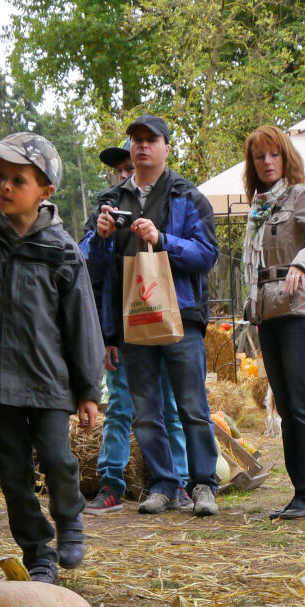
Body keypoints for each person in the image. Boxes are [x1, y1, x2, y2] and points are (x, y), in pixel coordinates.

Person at [0, 133, 104, 582]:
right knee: (12, 472)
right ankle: (37, 552)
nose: (4, 186)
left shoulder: (61, 250)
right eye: (0, 176)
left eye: (17, 179)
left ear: (45, 192)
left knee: (59, 458)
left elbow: (82, 322)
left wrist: (88, 389)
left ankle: (69, 520)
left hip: (49, 382)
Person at [93, 113, 220, 516]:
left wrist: (162, 239)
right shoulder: (110, 201)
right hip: (132, 321)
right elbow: (94, 270)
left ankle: (202, 486)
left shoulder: (188, 196)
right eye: (136, 139)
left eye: (151, 139)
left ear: (167, 146)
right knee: (145, 411)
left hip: (181, 317)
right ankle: (163, 485)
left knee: (192, 408)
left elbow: (207, 255)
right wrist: (99, 239)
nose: (142, 146)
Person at [79, 135, 190, 513]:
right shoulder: (101, 214)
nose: (127, 173)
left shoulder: (167, 204)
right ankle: (111, 483)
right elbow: (91, 275)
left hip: (161, 322)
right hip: (123, 330)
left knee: (171, 407)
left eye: (132, 167)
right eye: (122, 169)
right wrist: (101, 236)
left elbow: (186, 260)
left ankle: (181, 483)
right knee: (121, 407)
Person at [242, 123, 305, 521]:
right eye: (259, 157)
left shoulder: (300, 195)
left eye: (274, 155)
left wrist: (303, 262)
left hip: (298, 309)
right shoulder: (257, 204)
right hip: (267, 311)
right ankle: (298, 494)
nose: (267, 162)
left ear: (285, 157)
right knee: (284, 403)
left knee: (302, 403)